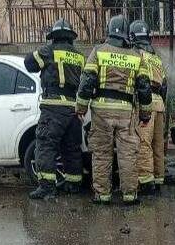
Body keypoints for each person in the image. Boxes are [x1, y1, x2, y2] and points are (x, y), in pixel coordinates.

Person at [75, 15, 153, 205]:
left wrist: (81, 107)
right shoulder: (136, 56)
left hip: (101, 110)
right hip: (126, 112)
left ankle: (102, 195)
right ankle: (129, 195)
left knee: (102, 153)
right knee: (128, 154)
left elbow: (87, 81)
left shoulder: (98, 51)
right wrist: (145, 114)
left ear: (109, 30)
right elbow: (144, 87)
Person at [24, 18, 86, 199]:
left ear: (53, 36)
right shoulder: (80, 56)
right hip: (73, 108)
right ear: (71, 37)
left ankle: (47, 188)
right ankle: (73, 184)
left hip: (53, 108)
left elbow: (29, 64)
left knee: (46, 146)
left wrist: (42, 49)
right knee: (71, 147)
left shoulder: (48, 51)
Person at [129, 20, 167, 194]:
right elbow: (164, 85)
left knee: (143, 142)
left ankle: (145, 181)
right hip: (159, 104)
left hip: (146, 103)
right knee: (158, 144)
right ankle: (159, 178)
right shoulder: (156, 58)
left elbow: (138, 82)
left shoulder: (137, 55)